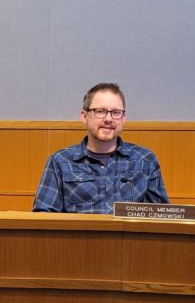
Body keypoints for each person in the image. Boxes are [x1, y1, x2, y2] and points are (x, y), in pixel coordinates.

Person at [33, 83, 168, 213]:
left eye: (116, 112)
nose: (108, 119)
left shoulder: (145, 160)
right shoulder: (60, 161)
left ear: (123, 118)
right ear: (84, 116)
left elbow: (162, 217)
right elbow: (44, 216)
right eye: (100, 111)